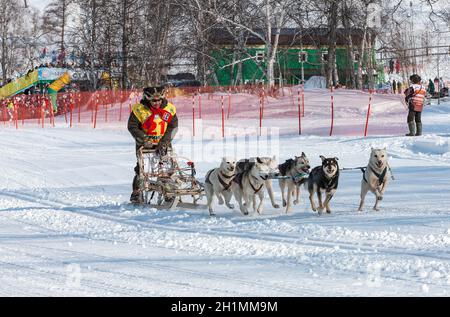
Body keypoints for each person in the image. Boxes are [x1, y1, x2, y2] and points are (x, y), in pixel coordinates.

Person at [127, 86, 178, 203]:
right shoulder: (139, 110)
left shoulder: (169, 109)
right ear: (147, 99)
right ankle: (136, 192)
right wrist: (144, 139)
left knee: (165, 168)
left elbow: (173, 127)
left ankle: (168, 191)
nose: (157, 103)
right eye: (154, 101)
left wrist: (164, 142)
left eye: (159, 100)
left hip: (163, 142)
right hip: (144, 144)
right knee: (142, 169)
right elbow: (132, 126)